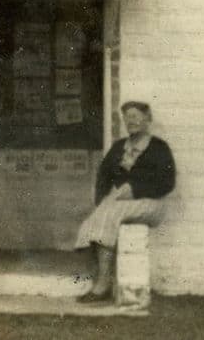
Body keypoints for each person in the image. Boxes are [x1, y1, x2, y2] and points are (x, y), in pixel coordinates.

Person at [75, 100, 176, 303]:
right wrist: (101, 200)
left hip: (151, 203)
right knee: (96, 219)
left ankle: (102, 285)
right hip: (123, 203)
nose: (132, 121)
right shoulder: (120, 147)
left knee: (109, 215)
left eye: (137, 116)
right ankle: (101, 279)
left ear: (148, 120)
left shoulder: (158, 148)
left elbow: (167, 183)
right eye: (128, 117)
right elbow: (103, 175)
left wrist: (135, 190)